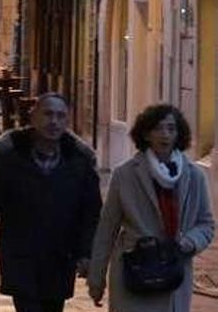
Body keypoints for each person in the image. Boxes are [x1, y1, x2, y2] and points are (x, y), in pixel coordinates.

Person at [0, 93, 102, 312]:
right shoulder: (7, 162)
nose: (53, 122)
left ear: (67, 122)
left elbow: (91, 214)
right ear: (33, 117)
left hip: (59, 258)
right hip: (21, 258)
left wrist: (86, 253)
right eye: (47, 114)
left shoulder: (78, 166)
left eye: (60, 116)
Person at [87, 104, 214, 311]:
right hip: (134, 273)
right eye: (158, 128)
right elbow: (107, 229)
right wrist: (96, 277)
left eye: (171, 129)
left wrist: (189, 242)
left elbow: (206, 225)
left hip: (173, 276)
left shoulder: (194, 176)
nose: (165, 135)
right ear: (146, 134)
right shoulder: (125, 174)